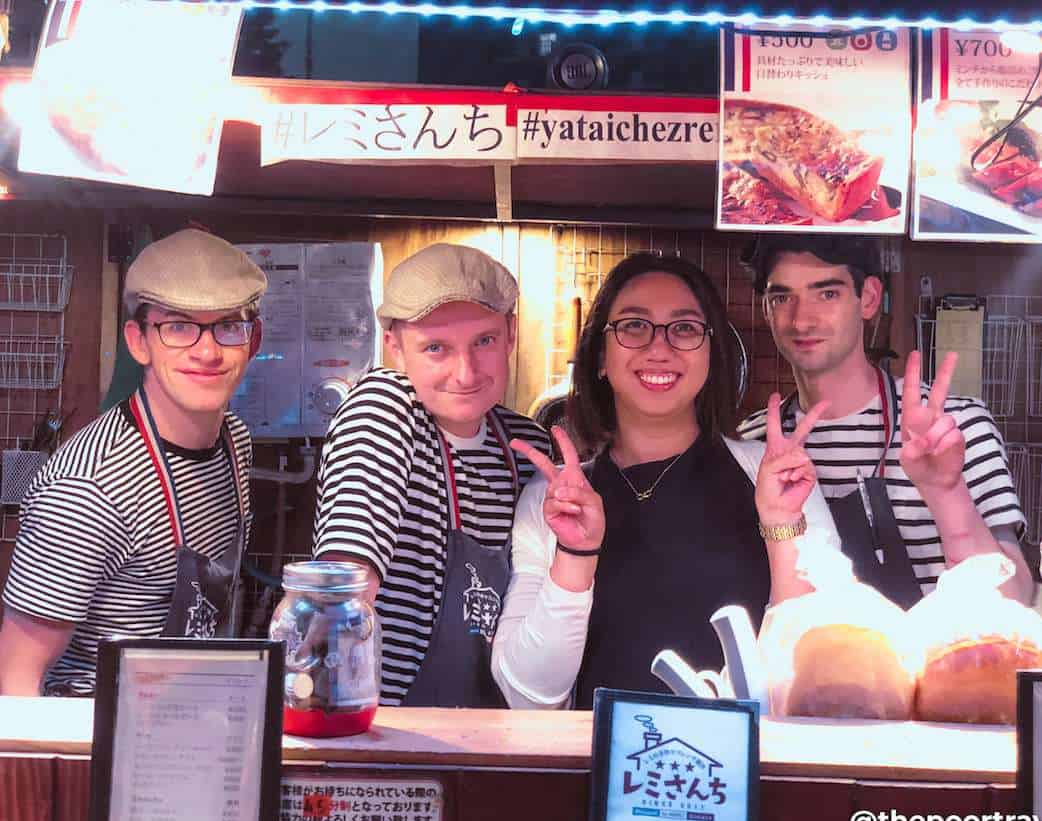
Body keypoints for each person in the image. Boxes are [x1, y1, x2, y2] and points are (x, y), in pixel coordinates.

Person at [491, 253, 839, 709]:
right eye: (634, 326)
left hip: (749, 753)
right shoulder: (552, 504)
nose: (659, 348)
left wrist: (781, 526)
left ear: (711, 354)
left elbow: (821, 665)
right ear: (601, 356)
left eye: (685, 328)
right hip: (602, 754)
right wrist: (575, 557)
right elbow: (527, 697)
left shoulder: (775, 477)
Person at [0, 228, 264, 696]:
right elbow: (16, 676)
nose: (207, 351)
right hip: (97, 728)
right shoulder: (86, 487)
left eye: (228, 326)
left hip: (191, 710)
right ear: (138, 342)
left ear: (253, 339)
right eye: (178, 327)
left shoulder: (234, 440)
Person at [313, 243, 551, 708]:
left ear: (511, 334)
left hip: (497, 720)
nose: (465, 373)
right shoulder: (382, 407)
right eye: (436, 348)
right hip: (385, 722)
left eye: (484, 341)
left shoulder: (528, 447)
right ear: (395, 349)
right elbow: (347, 578)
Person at [737, 234, 1033, 606]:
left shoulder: (955, 425)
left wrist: (946, 491)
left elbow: (1014, 598)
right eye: (782, 298)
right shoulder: (755, 444)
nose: (802, 320)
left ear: (869, 298)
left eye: (827, 294)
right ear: (766, 310)